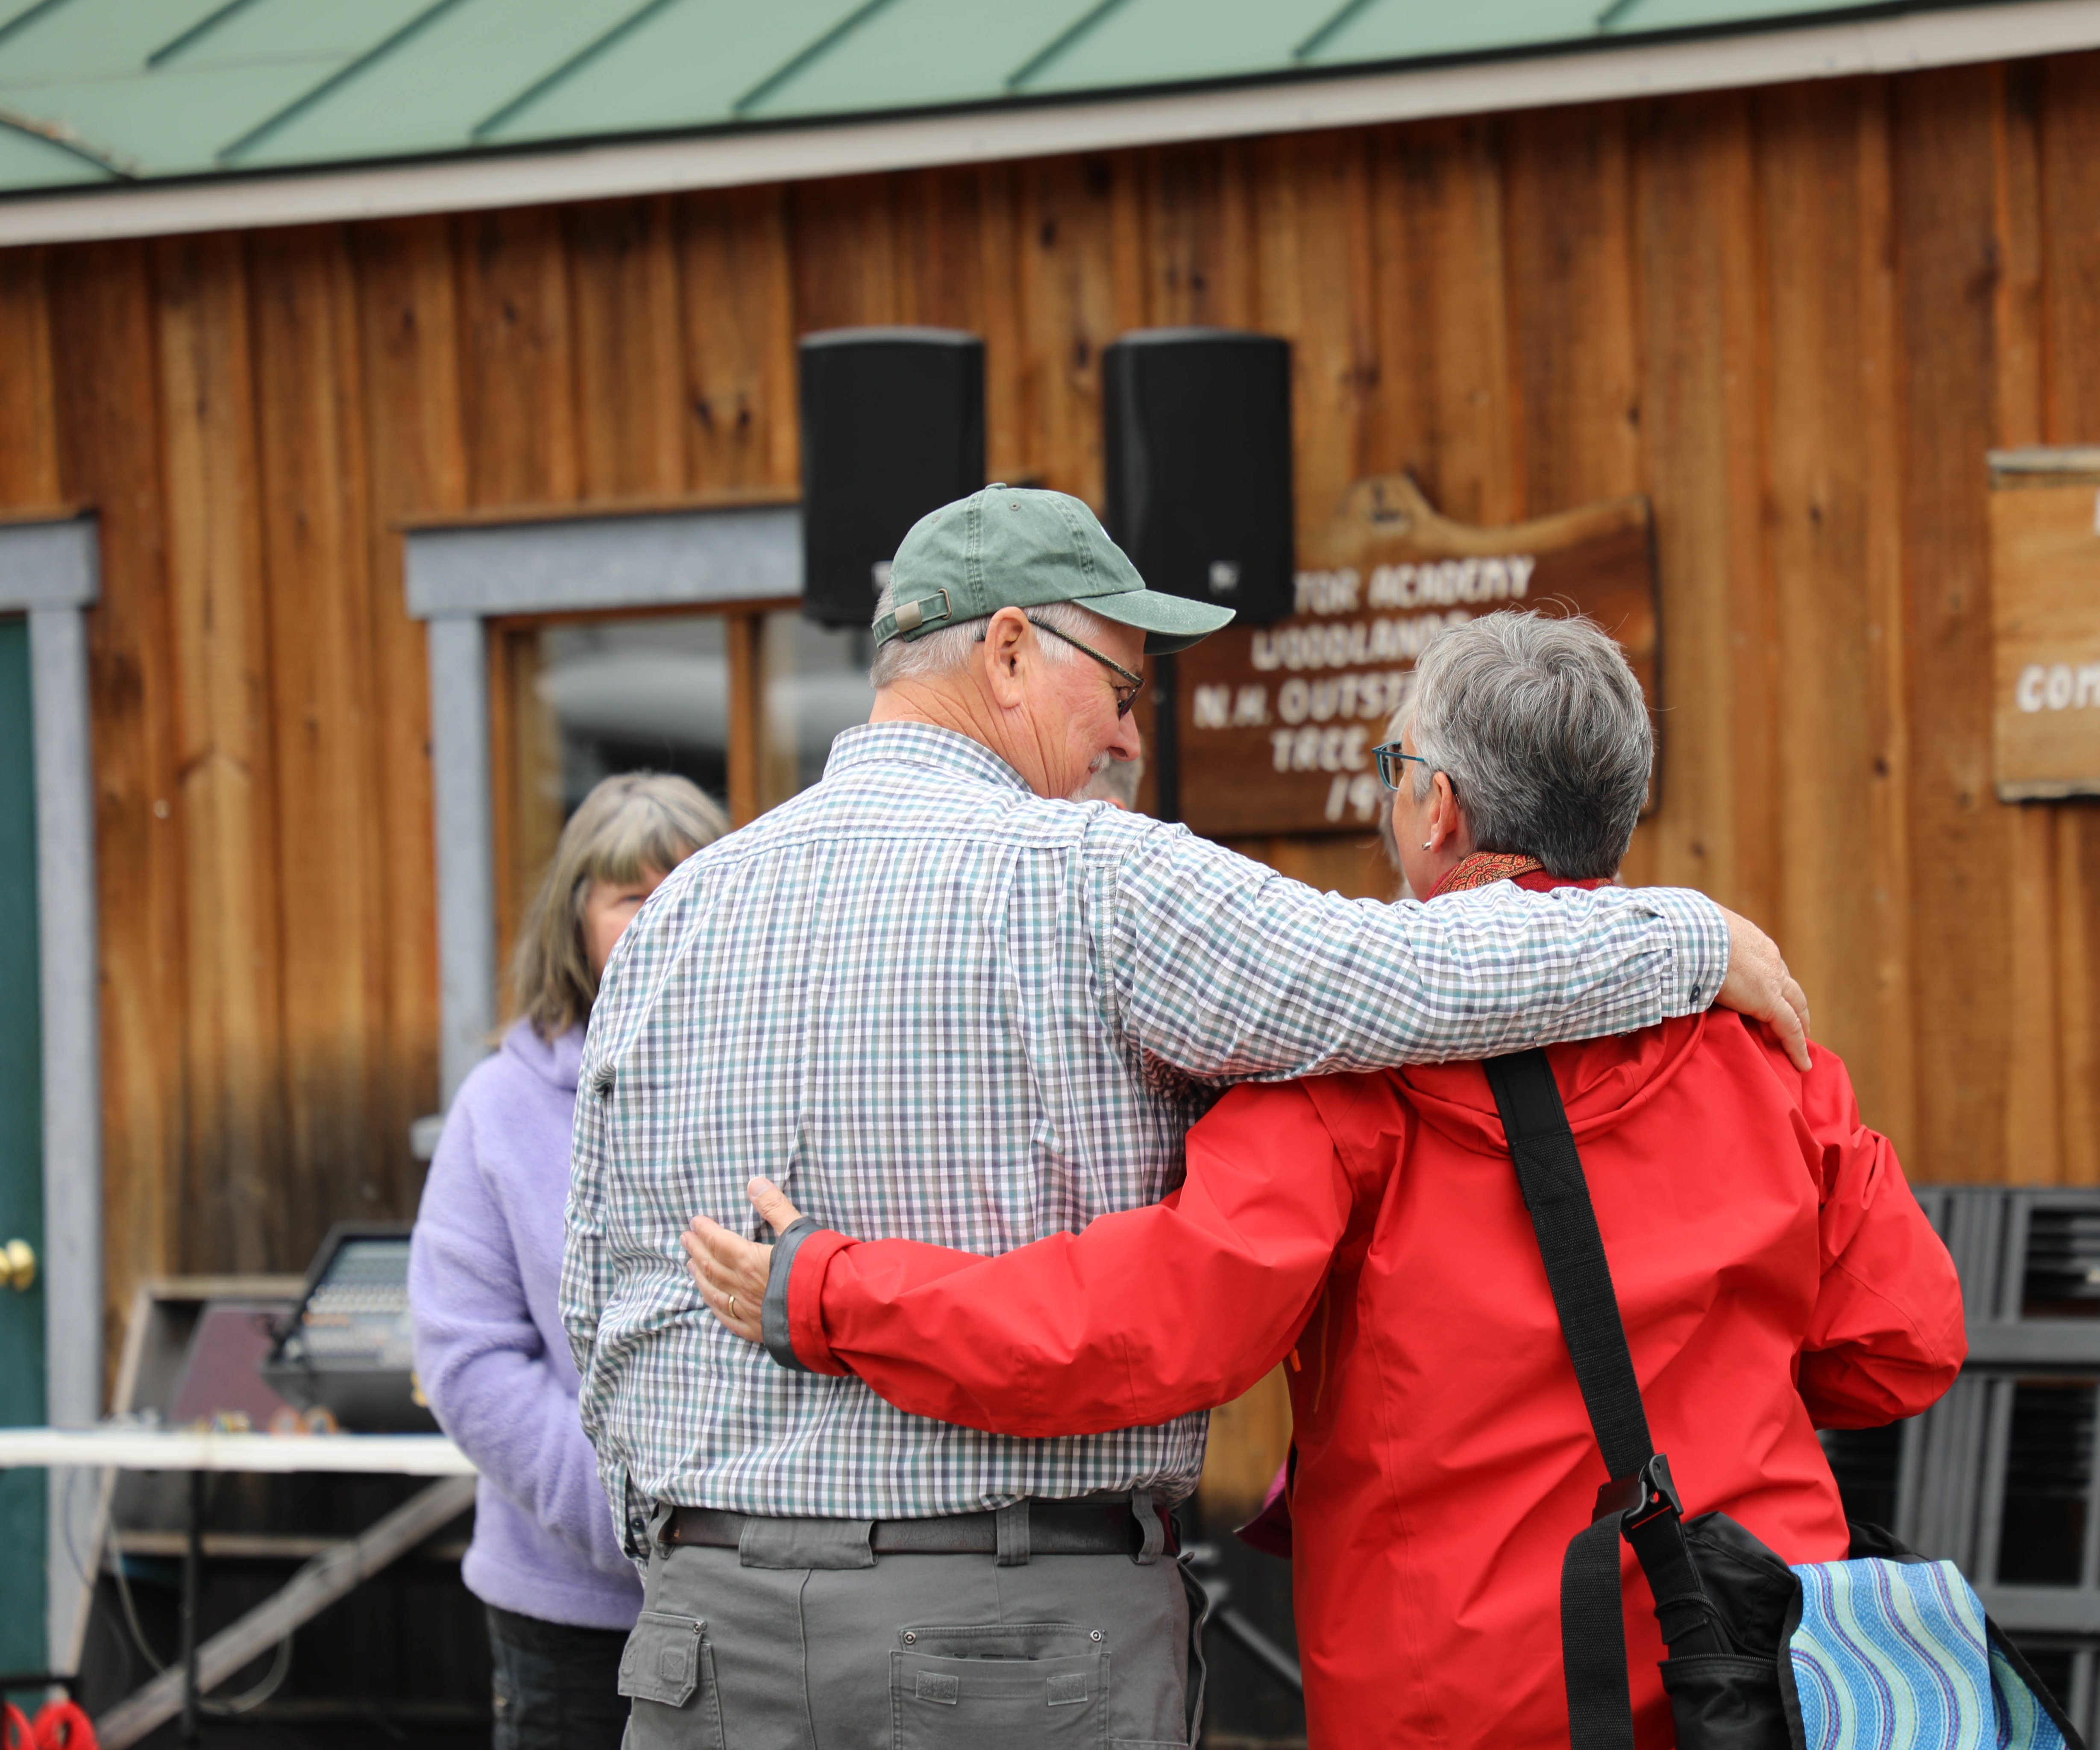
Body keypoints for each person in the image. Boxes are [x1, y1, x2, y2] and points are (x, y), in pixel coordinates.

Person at [562, 485, 1810, 1749]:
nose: (1128, 734)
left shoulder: (674, 917)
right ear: (1005, 652)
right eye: (1121, 686)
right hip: (1017, 1629)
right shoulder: (1099, 877)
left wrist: (683, 1547)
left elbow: (591, 1293)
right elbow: (1415, 978)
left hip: (701, 1626)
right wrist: (1684, 932)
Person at [410, 772, 728, 1750]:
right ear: (576, 921)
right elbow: (467, 1356)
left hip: (758, 1602)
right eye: (633, 896)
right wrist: (625, 1517)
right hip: (569, 1614)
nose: (662, 914)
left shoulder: (770, 1078)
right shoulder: (497, 1107)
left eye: (689, 887)